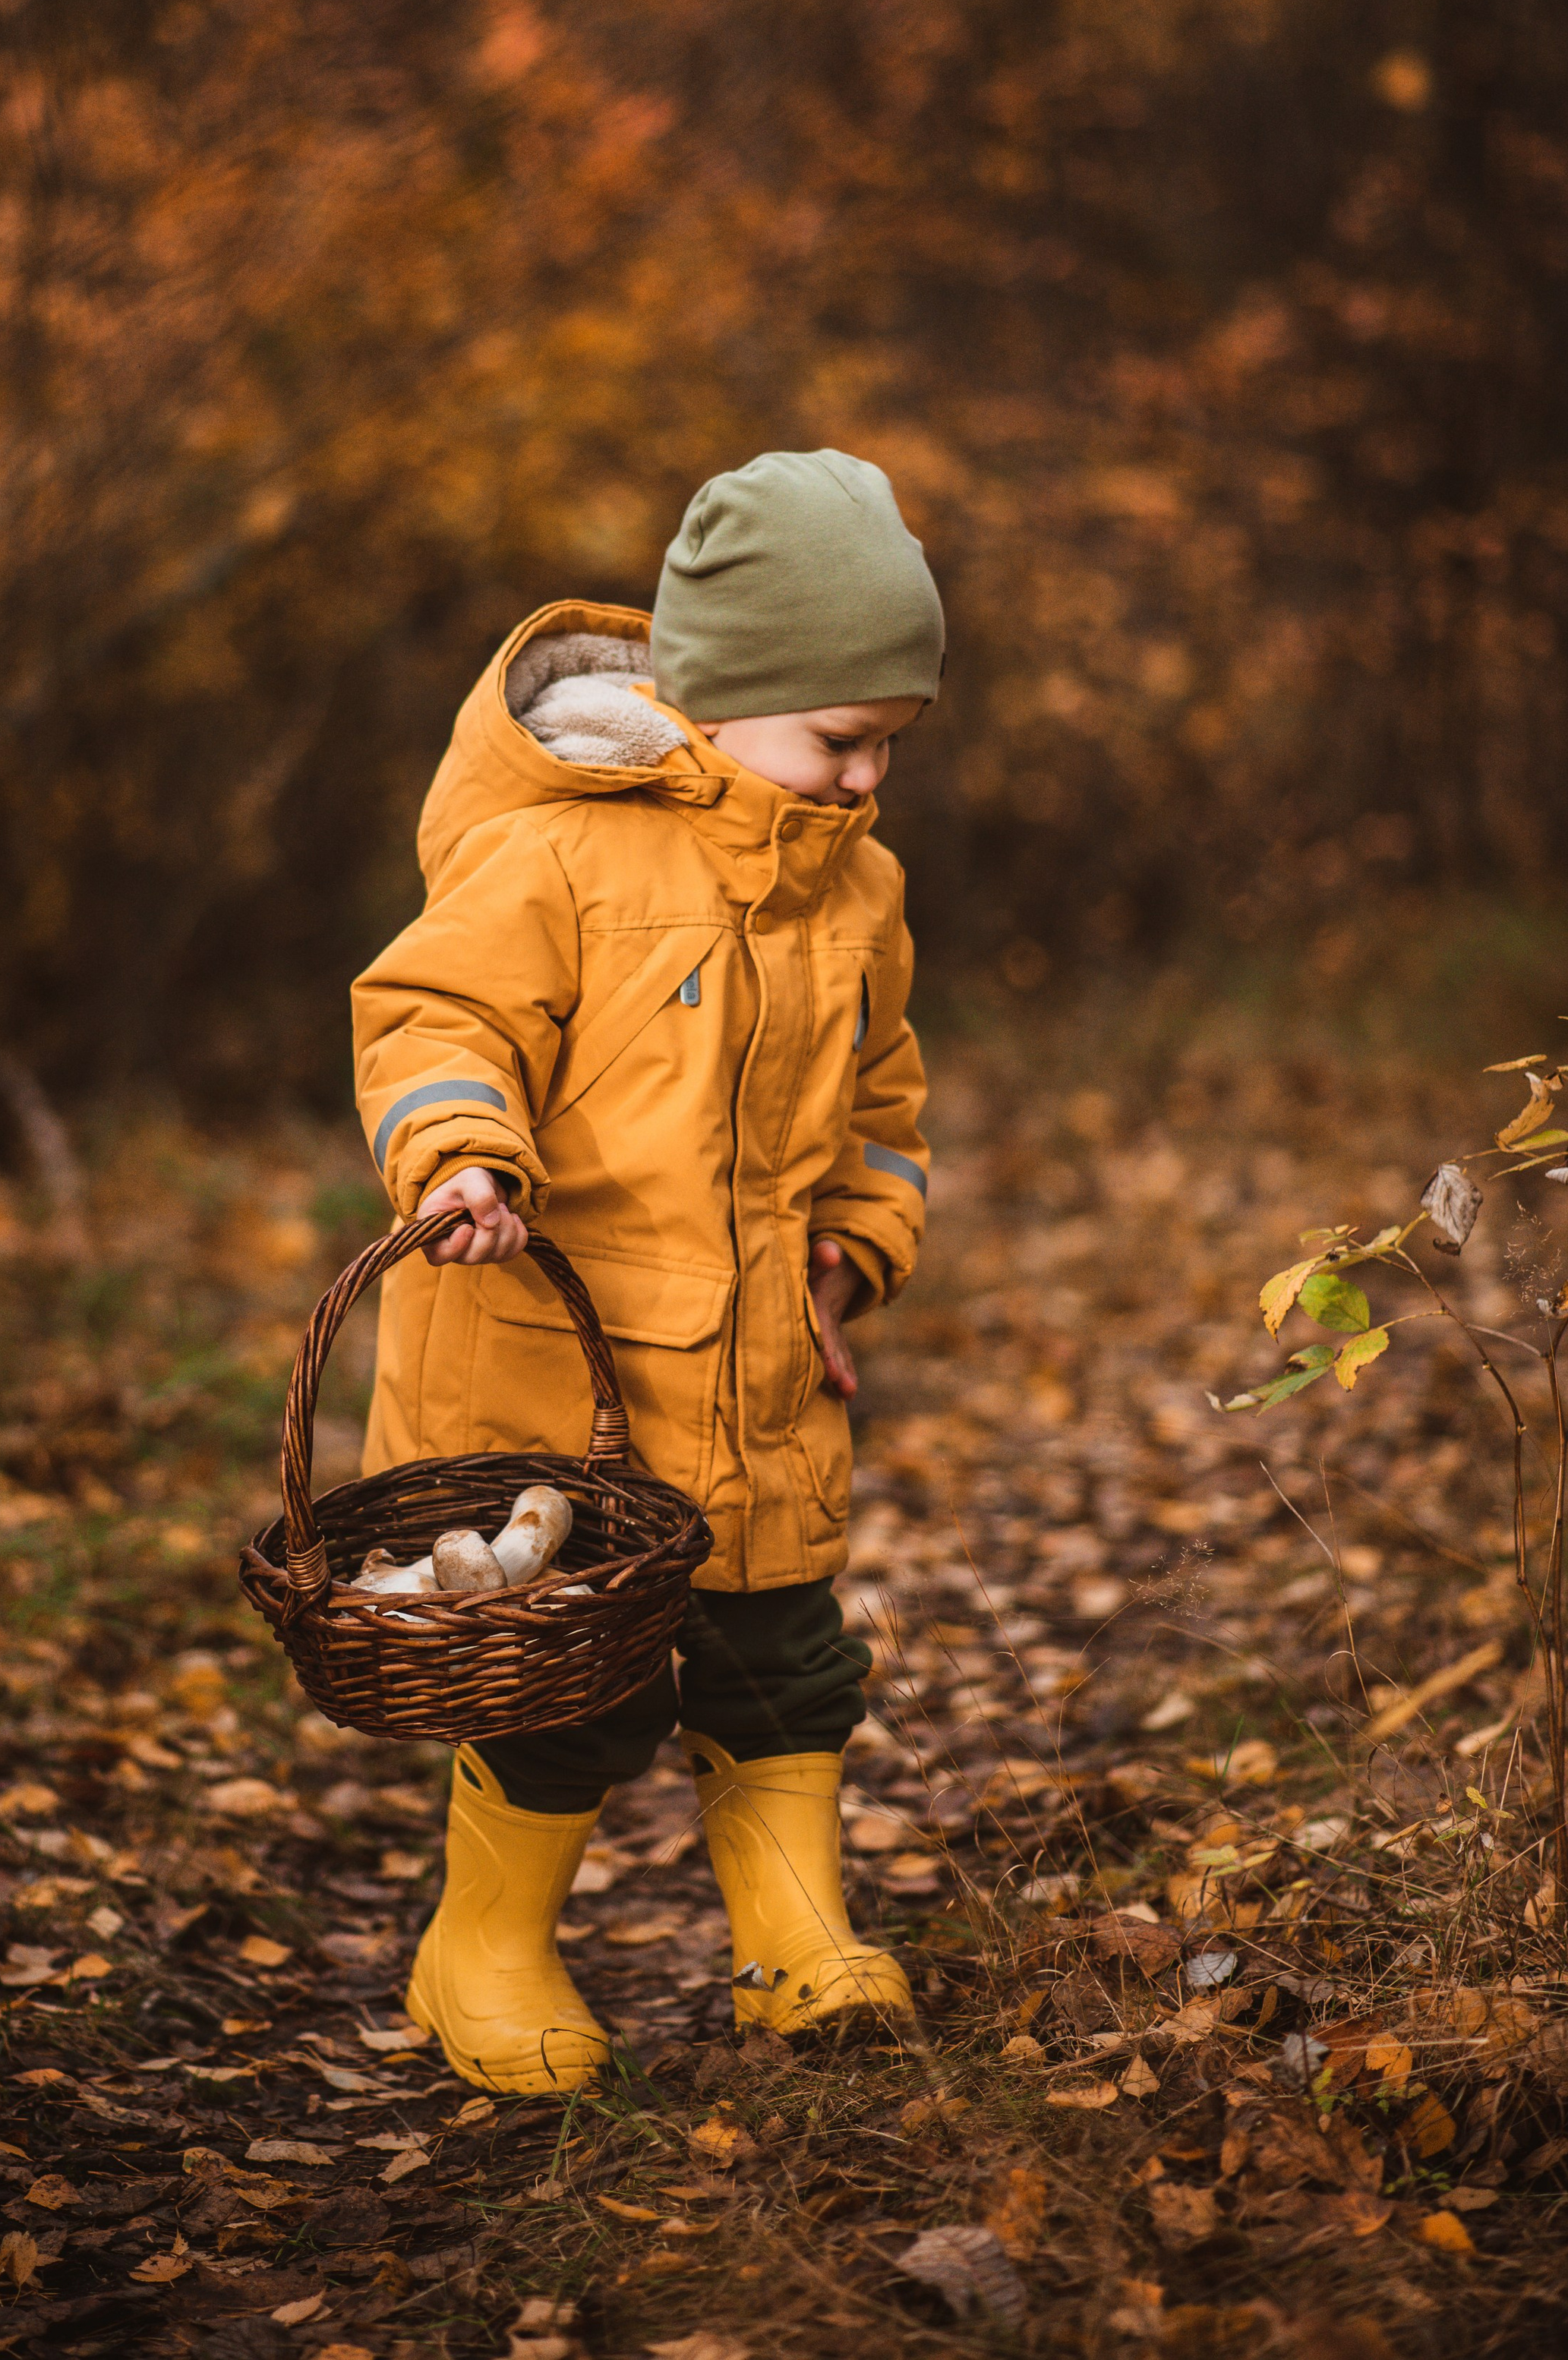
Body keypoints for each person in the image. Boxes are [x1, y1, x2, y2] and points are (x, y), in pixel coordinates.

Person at [351, 447, 943, 2093]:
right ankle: (479, 1948)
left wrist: (851, 1245)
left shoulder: (859, 891)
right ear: (726, 694)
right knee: (566, 1693)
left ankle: (794, 1943)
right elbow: (431, 1017)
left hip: (755, 1376)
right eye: (839, 737)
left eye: (890, 740)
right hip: (552, 1377)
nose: (865, 776)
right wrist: (461, 1148)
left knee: (785, 1662)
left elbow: (879, 1100)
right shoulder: (555, 858)